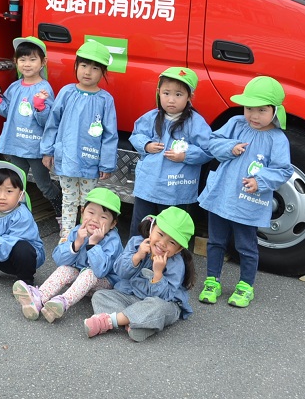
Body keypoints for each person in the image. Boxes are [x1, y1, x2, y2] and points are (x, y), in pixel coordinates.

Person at [198, 76, 293, 308]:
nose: (254, 115)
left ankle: (246, 286)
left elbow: (283, 170)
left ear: (275, 110)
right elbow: (212, 142)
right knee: (216, 241)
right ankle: (212, 281)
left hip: (248, 199)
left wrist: (260, 181)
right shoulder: (236, 123)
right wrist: (230, 147)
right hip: (221, 194)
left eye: (262, 110)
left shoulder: (277, 139)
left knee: (246, 246)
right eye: (249, 108)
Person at [40, 39, 118, 242]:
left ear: (103, 73)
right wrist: (48, 151)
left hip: (89, 162)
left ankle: (85, 236)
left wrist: (106, 163)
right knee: (68, 199)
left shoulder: (105, 100)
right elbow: (53, 123)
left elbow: (110, 135)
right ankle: (66, 237)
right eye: (83, 65)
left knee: (89, 203)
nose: (87, 72)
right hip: (66, 158)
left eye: (94, 68)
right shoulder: (67, 92)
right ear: (76, 66)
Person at [12, 187, 123, 323]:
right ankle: (38, 298)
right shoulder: (78, 231)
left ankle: (62, 302)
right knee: (65, 269)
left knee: (89, 273)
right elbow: (59, 259)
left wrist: (93, 245)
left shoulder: (113, 240)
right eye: (91, 212)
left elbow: (100, 271)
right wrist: (76, 244)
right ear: (82, 212)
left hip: (104, 284)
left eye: (103, 217)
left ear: (113, 224)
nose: (95, 219)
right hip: (80, 284)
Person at [84, 206, 196, 342]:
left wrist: (158, 273)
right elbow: (120, 272)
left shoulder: (176, 263)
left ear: (179, 250)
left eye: (172, 242)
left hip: (160, 303)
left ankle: (111, 321)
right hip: (132, 296)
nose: (162, 243)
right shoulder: (136, 243)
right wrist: (136, 257)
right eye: (160, 234)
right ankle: (136, 323)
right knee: (100, 295)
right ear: (152, 228)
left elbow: (164, 297)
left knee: (158, 308)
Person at [128, 67, 212, 233]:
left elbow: (208, 149)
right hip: (149, 185)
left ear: (190, 97)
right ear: (159, 92)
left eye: (178, 94)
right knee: (141, 226)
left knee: (170, 230)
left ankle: (166, 258)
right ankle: (135, 256)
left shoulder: (195, 122)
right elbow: (136, 135)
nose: (171, 100)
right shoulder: (152, 117)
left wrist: (185, 155)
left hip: (175, 187)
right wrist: (146, 145)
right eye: (166, 93)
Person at [0, 36, 61, 218]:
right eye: (22, 59)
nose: (27, 64)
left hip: (35, 148)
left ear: (43, 62)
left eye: (32, 59)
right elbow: (8, 112)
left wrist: (40, 106)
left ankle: (61, 209)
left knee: (43, 184)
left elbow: (47, 121)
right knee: (16, 183)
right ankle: (19, 215)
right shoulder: (14, 87)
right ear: (16, 62)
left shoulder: (45, 88)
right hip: (15, 145)